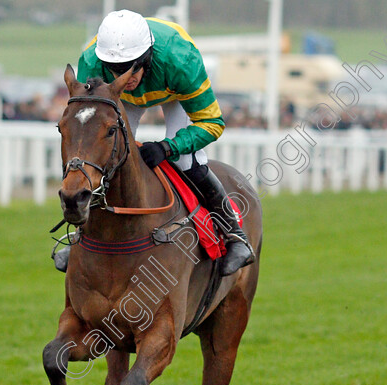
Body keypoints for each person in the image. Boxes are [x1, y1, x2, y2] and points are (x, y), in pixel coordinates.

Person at [55, 10, 254, 276]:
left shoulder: (180, 59)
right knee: (109, 158)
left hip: (174, 90)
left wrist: (167, 147)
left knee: (185, 160)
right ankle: (81, 236)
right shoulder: (91, 61)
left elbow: (211, 122)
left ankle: (234, 234)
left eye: (132, 67)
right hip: (118, 100)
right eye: (116, 69)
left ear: (147, 57)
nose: (125, 76)